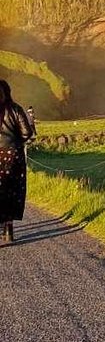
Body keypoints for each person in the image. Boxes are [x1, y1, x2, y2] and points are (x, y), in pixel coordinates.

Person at [0, 81, 36, 245]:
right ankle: (8, 231)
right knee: (11, 190)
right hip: (13, 155)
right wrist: (15, 144)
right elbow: (27, 132)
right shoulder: (15, 109)